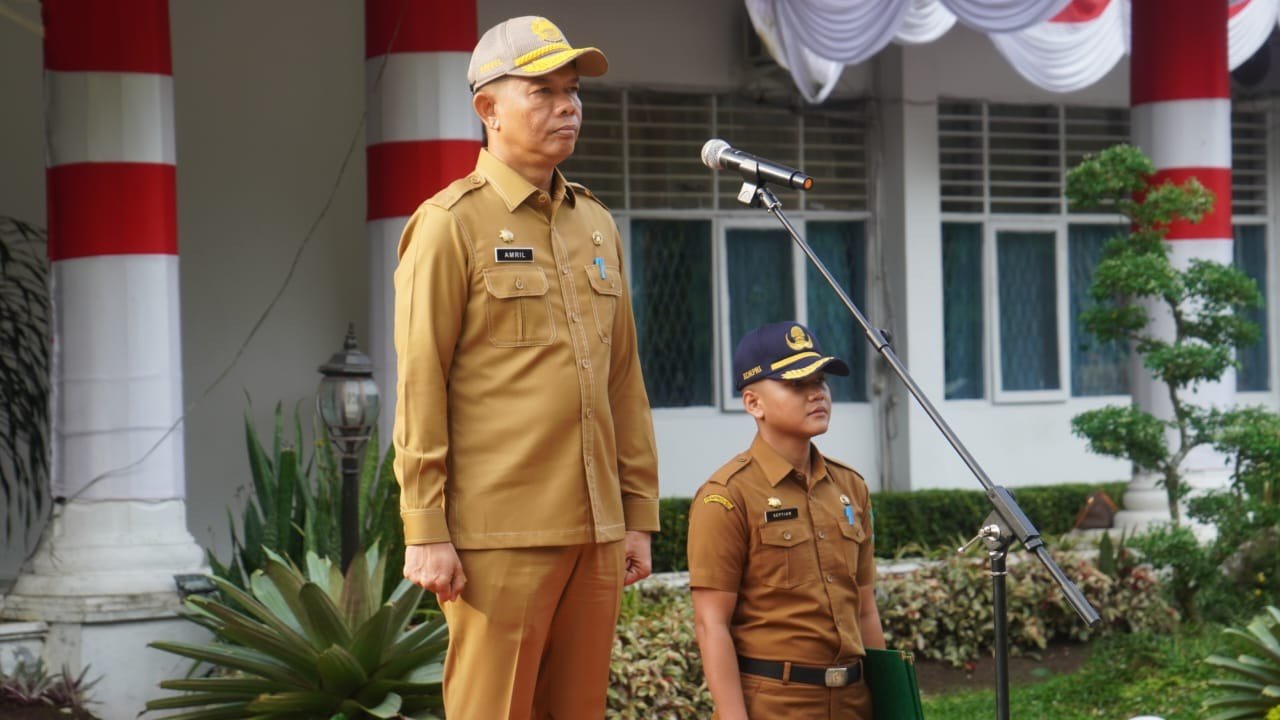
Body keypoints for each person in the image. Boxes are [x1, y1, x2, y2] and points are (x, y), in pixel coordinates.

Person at [391, 15, 659, 720]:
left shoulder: (595, 224)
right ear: (488, 109)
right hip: (498, 536)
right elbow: (421, 383)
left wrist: (636, 515)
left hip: (596, 533)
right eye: (542, 90)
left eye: (573, 91)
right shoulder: (450, 224)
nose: (568, 105)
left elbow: (623, 381)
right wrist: (426, 528)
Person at [687, 321, 885, 719]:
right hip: (778, 704)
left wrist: (887, 701)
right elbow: (712, 625)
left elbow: (865, 609)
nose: (817, 393)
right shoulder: (726, 496)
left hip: (853, 701)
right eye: (796, 385)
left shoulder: (849, 487)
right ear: (753, 403)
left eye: (821, 381)